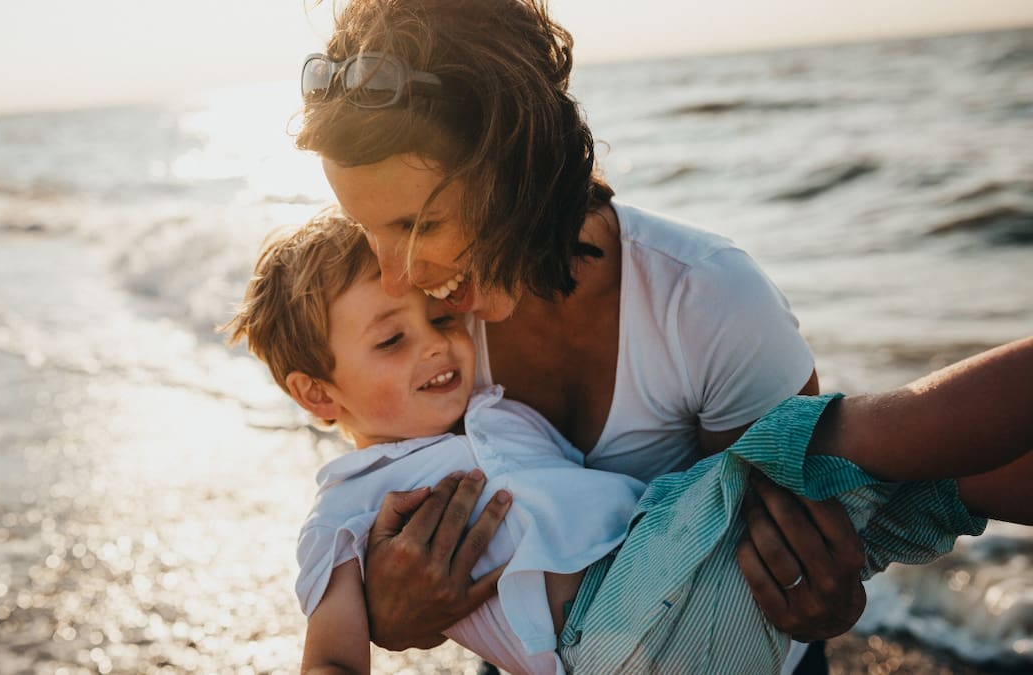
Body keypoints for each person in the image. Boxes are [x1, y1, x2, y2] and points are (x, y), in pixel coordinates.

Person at [295, 1, 876, 669]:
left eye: (417, 226)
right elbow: (410, 515)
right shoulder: (431, 334)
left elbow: (798, 554)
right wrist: (391, 612)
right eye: (367, 228)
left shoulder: (708, 302)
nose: (396, 279)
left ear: (518, 167)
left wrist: (826, 591)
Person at [224, 212, 1032, 674]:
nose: (438, 345)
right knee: (833, 441)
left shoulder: (496, 412)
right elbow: (330, 657)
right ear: (317, 394)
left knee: (944, 485)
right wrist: (386, 618)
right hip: (610, 630)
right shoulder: (349, 501)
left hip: (691, 599)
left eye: (439, 318)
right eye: (390, 341)